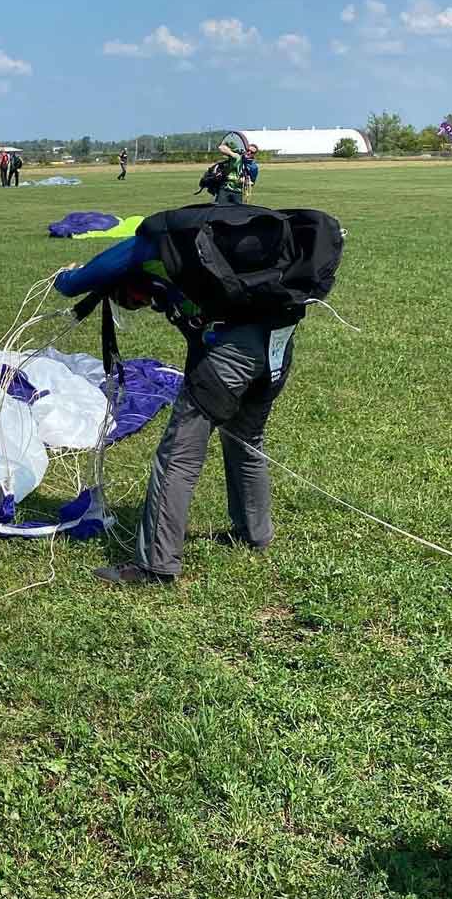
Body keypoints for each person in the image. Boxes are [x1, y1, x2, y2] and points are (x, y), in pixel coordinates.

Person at [52, 216, 304, 586]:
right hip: (277, 345)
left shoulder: (150, 243)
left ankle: (156, 564)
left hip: (232, 352)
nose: (136, 303)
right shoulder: (213, 249)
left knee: (178, 456)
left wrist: (65, 277)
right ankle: (255, 533)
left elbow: (80, 281)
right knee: (247, 440)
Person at [213, 133, 259, 206]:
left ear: (254, 154)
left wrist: (245, 182)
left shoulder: (253, 167)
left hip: (238, 192)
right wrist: (231, 152)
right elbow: (221, 148)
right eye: (248, 150)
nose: (249, 152)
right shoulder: (236, 157)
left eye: (252, 152)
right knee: (219, 209)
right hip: (225, 188)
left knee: (236, 212)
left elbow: (252, 183)